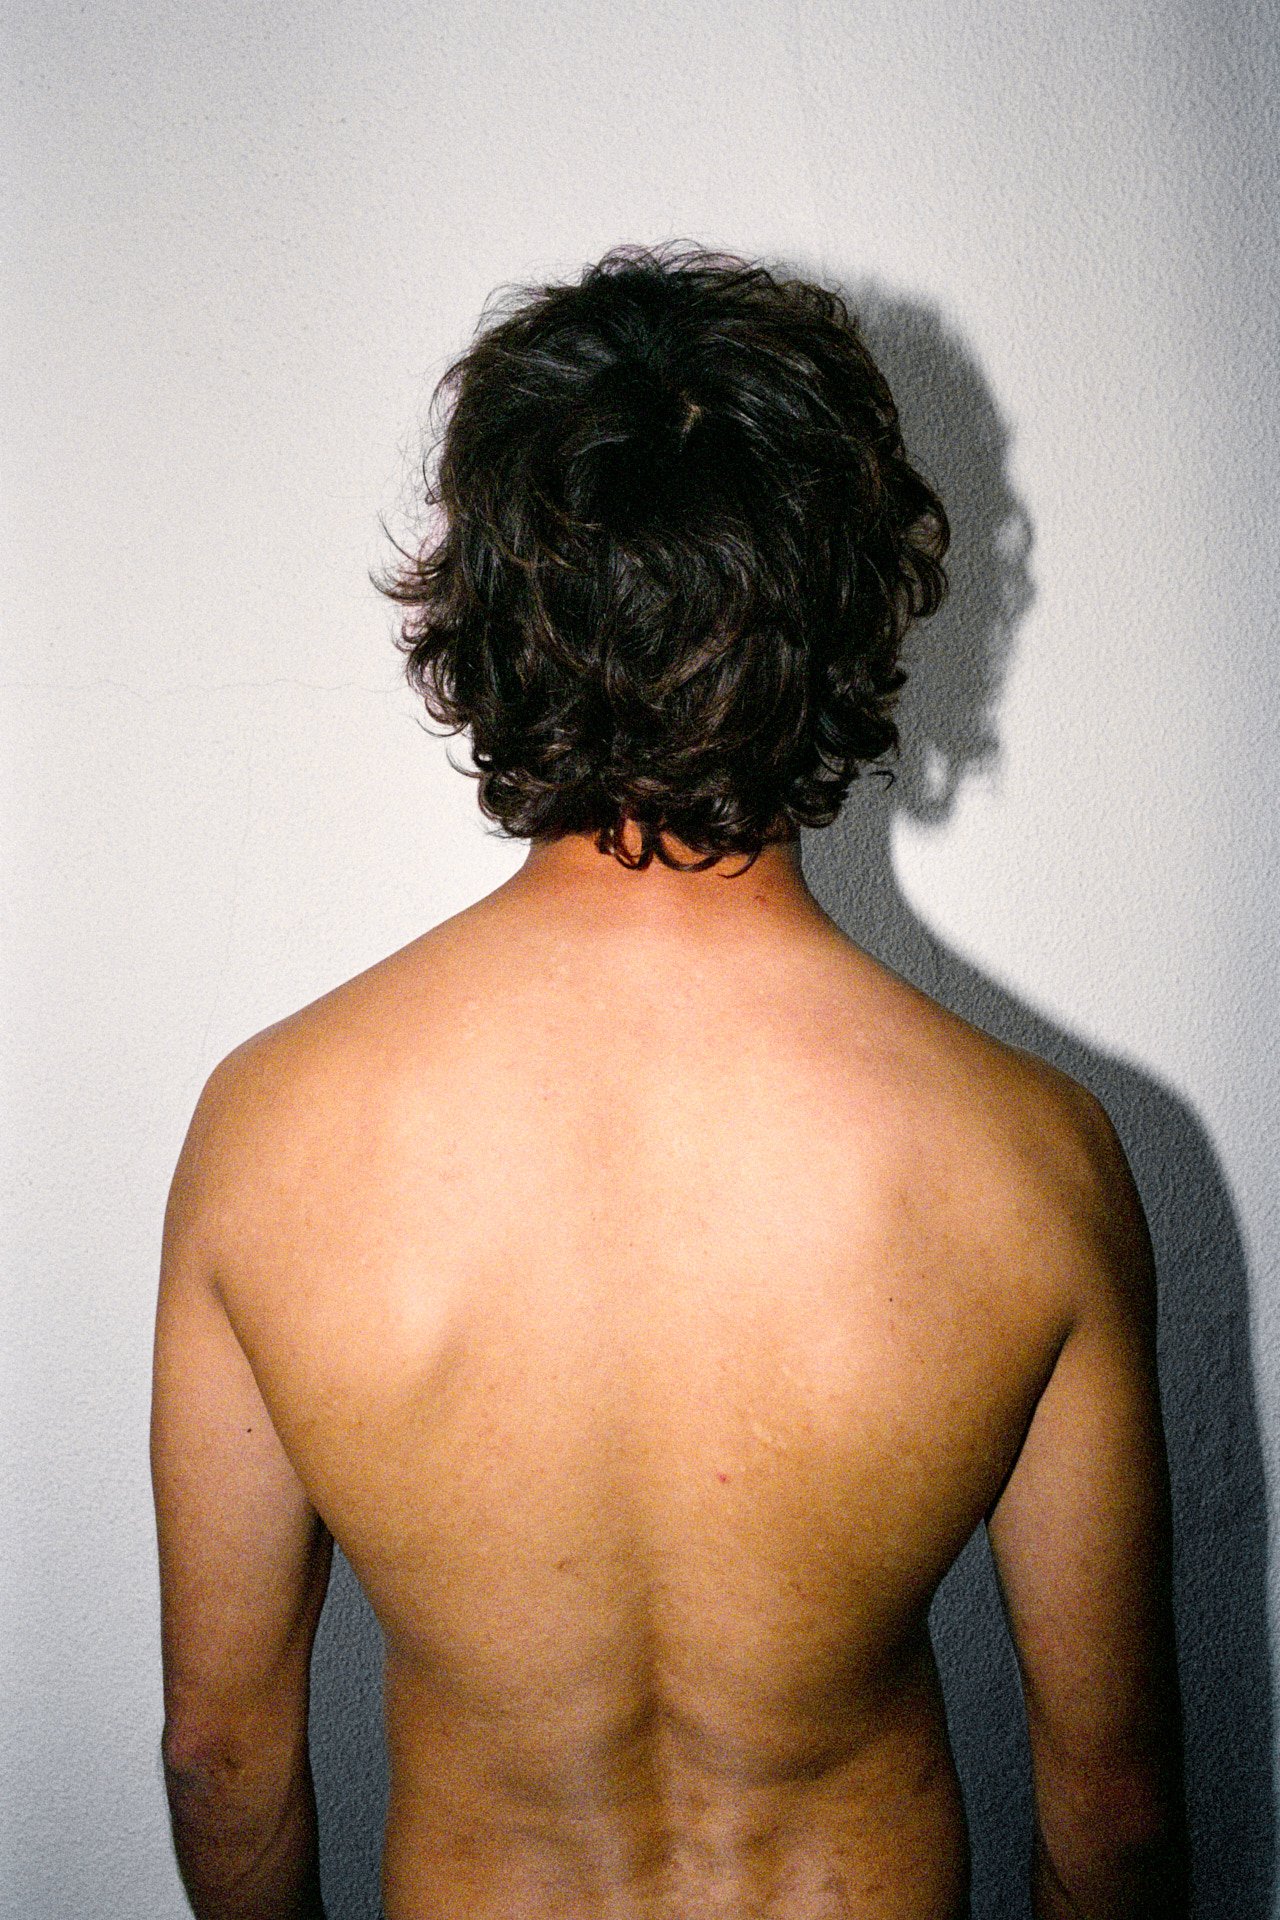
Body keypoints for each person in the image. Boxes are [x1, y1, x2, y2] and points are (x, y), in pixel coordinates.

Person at [151, 243, 1188, 1920]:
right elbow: (1120, 1805)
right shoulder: (1027, 1160)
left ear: (485, 604)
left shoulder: (268, 1129)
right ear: (853, 600)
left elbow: (220, 1760)